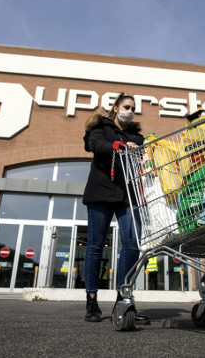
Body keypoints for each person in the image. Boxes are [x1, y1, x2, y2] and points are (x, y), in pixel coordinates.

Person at [82, 93, 149, 324]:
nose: (129, 111)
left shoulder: (137, 137)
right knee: (95, 245)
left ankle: (123, 299)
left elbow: (146, 155)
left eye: (133, 108)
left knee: (132, 244)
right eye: (126, 106)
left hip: (126, 195)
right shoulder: (100, 127)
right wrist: (118, 145)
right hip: (101, 191)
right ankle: (91, 300)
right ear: (116, 107)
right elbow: (94, 145)